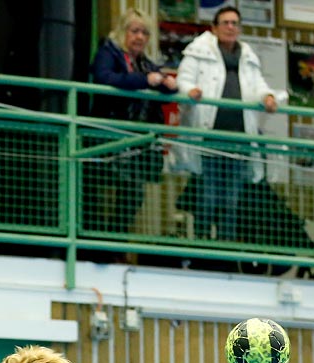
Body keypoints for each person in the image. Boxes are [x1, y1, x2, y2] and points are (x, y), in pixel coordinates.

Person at [175, 6, 284, 254]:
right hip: (209, 137)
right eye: (225, 22)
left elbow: (258, 86)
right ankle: (203, 244)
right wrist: (190, 91)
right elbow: (184, 81)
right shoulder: (197, 52)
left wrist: (267, 96)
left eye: (235, 23)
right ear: (214, 27)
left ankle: (226, 247)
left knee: (232, 200)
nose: (230, 27)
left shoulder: (248, 56)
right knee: (209, 195)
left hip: (239, 140)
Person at [83, 8, 176, 254]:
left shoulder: (145, 62)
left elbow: (159, 86)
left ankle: (114, 247)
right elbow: (104, 78)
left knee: (133, 195)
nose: (140, 37)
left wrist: (168, 85)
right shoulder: (109, 53)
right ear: (123, 31)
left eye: (145, 33)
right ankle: (91, 249)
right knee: (94, 194)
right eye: (135, 31)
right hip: (107, 136)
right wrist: (145, 81)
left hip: (137, 143)